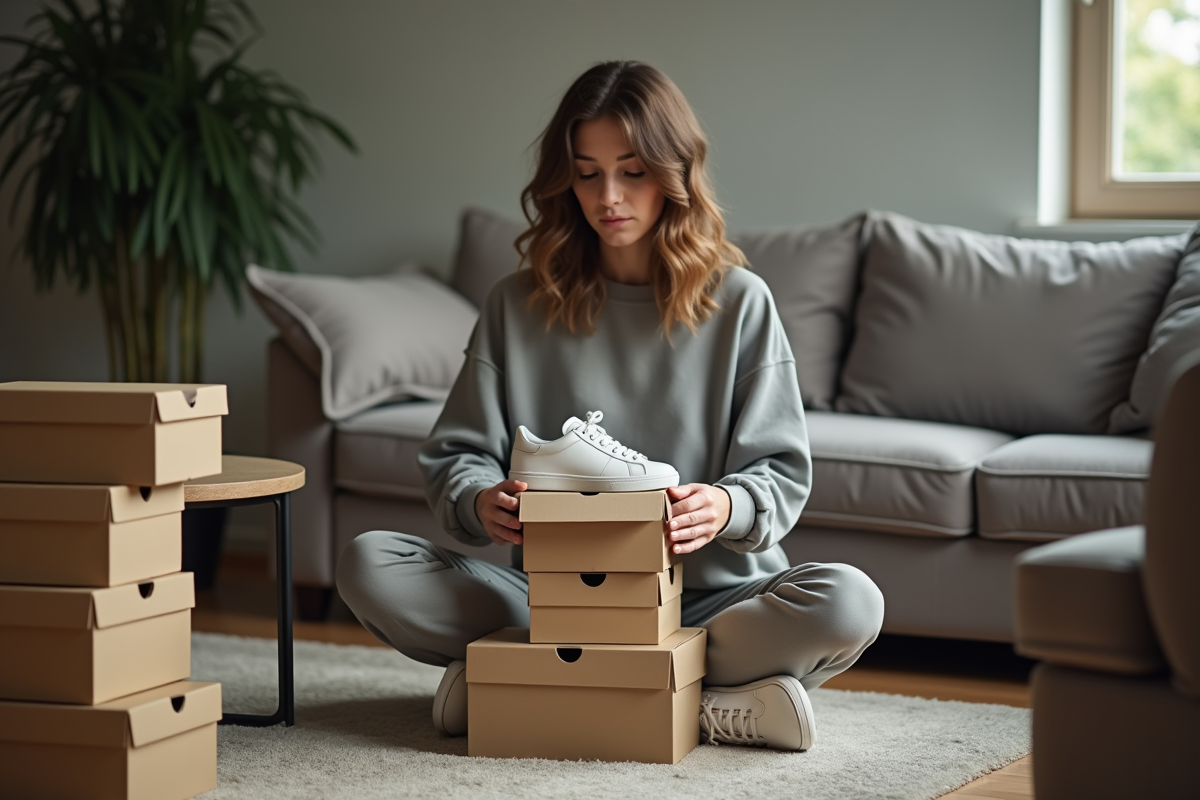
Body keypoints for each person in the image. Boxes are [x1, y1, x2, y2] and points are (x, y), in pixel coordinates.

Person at [336, 60, 884, 752]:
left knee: (849, 602)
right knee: (369, 563)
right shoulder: (515, 304)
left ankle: (530, 683)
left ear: (674, 173)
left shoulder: (741, 301)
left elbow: (779, 469)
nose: (609, 196)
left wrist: (727, 505)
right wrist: (480, 500)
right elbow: (459, 454)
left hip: (710, 602)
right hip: (559, 603)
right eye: (587, 173)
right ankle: (688, 698)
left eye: (632, 171)